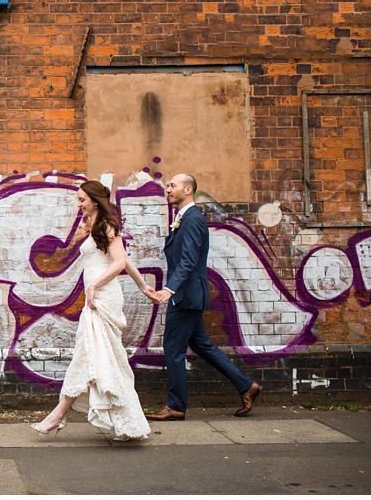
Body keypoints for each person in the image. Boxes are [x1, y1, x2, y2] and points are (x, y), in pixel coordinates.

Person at [31, 180, 153, 442]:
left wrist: (95, 286)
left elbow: (119, 262)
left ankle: (58, 414)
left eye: (82, 200)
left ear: (95, 201)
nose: (78, 204)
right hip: (95, 296)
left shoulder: (108, 226)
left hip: (102, 298)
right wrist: (144, 286)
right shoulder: (94, 226)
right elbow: (122, 260)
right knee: (103, 359)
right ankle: (126, 423)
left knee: (91, 355)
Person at [145, 173, 261, 421]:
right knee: (201, 344)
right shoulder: (184, 218)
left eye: (172, 186)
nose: (167, 189)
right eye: (167, 186)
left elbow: (188, 260)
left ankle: (176, 406)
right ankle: (245, 386)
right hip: (188, 294)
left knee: (173, 349)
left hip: (185, 295)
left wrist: (170, 289)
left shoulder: (193, 219)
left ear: (188, 190)